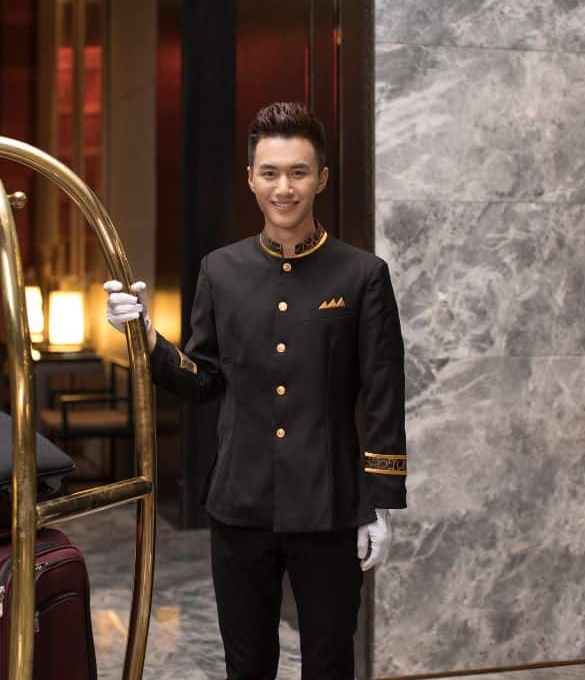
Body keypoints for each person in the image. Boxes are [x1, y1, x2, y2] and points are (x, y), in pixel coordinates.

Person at [104, 101, 407, 679]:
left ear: (321, 178)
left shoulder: (362, 274)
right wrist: (145, 338)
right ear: (250, 179)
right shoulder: (220, 270)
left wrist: (380, 502)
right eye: (270, 172)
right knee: (246, 663)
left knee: (329, 660)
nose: (284, 188)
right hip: (239, 504)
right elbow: (203, 378)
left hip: (331, 505)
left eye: (298, 172)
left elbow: (384, 392)